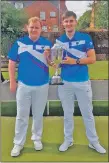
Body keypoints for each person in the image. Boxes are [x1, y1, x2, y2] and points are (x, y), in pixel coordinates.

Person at [55, 11, 106, 154]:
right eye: (66, 21)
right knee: (67, 113)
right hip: (65, 83)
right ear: (63, 23)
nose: (69, 24)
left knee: (87, 113)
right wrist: (53, 62)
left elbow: (92, 59)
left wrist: (75, 61)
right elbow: (57, 63)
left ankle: (93, 142)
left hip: (82, 82)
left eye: (71, 21)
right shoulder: (59, 41)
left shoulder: (85, 38)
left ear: (75, 22)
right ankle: (68, 140)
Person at [8, 16, 53, 157]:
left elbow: (53, 63)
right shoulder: (19, 43)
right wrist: (12, 81)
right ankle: (18, 143)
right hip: (24, 85)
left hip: (42, 85)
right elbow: (11, 62)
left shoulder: (47, 44)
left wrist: (48, 56)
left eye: (37, 27)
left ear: (41, 29)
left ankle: (36, 139)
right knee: (21, 115)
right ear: (27, 28)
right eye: (32, 27)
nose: (34, 29)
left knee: (38, 115)